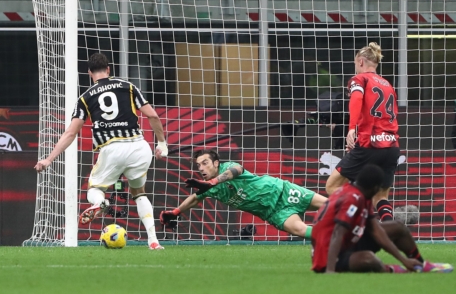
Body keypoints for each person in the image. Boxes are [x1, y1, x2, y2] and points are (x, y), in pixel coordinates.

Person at [34, 52, 169, 250]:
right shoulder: (128, 87)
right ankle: (153, 240)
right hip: (140, 147)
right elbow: (153, 116)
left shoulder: (85, 98)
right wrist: (162, 144)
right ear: (108, 69)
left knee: (95, 190)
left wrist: (49, 159)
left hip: (112, 148)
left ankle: (100, 202)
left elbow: (71, 133)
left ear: (89, 73)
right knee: (139, 193)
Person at [311, 164, 453, 273]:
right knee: (368, 259)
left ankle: (419, 265)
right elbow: (337, 232)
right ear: (375, 188)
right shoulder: (351, 199)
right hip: (327, 254)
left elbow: (377, 230)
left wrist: (404, 259)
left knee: (397, 226)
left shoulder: (359, 193)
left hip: (347, 242)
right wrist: (329, 269)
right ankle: (391, 270)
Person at [160, 149, 328, 238]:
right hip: (274, 213)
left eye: (205, 163)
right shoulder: (208, 188)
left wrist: (213, 182)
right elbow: (194, 199)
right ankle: (341, 239)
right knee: (301, 230)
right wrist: (175, 212)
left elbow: (238, 169)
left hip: (281, 191)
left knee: (332, 205)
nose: (201, 168)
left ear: (216, 163)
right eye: (198, 165)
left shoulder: (226, 168)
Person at [325, 43, 400, 222]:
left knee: (332, 187)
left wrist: (352, 129)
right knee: (380, 197)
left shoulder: (359, 79)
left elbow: (357, 99)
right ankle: (390, 228)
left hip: (370, 144)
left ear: (360, 61)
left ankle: (363, 220)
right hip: (392, 146)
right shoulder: (388, 85)